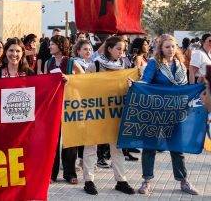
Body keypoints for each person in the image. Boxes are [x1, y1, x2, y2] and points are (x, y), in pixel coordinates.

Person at [137, 34, 198, 195]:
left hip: (175, 112)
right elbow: (145, 81)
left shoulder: (180, 64)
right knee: (150, 146)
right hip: (155, 112)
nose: (171, 49)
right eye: (167, 47)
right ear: (161, 48)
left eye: (173, 46)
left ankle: (183, 181)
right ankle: (146, 181)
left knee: (177, 147)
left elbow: (184, 87)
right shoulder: (154, 63)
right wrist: (136, 85)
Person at [81, 36, 135, 195]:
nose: (121, 52)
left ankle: (121, 181)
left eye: (123, 49)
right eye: (118, 49)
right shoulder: (95, 65)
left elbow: (130, 87)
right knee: (91, 145)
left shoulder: (126, 65)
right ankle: (89, 181)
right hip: (97, 111)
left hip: (116, 112)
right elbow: (83, 85)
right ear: (109, 49)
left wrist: (131, 85)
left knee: (117, 147)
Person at [46, 34, 83, 185]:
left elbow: (83, 78)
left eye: (53, 44)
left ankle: (69, 173)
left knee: (69, 140)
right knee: (53, 140)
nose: (50, 46)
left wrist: (70, 79)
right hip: (53, 105)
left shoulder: (71, 62)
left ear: (61, 46)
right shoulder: (48, 62)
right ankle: (51, 173)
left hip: (69, 104)